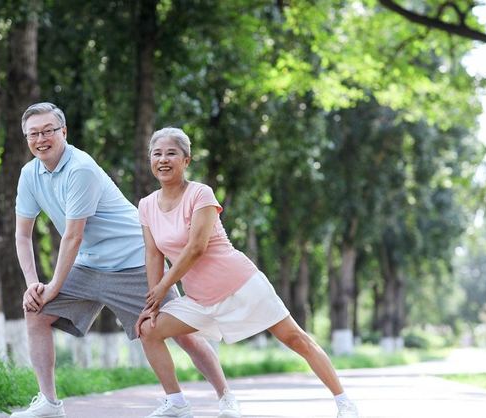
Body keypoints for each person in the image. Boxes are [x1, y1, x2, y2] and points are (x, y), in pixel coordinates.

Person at [11, 103, 241, 418]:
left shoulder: (80, 169)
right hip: (89, 266)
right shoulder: (29, 174)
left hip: (134, 261)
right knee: (35, 312)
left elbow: (73, 236)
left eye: (48, 131)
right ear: (26, 138)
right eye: (33, 133)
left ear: (63, 132)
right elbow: (22, 235)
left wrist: (53, 286)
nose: (41, 139)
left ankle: (225, 396)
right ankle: (49, 402)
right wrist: (34, 286)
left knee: (180, 333)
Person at [135, 127, 360, 418]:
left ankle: (344, 403)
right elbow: (153, 254)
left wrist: (163, 288)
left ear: (186, 160)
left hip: (240, 283)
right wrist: (154, 304)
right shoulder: (147, 205)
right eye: (157, 154)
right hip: (199, 298)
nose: (163, 160)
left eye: (171, 153)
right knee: (148, 329)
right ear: (150, 160)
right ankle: (177, 403)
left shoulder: (200, 194)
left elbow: (196, 249)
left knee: (295, 339)